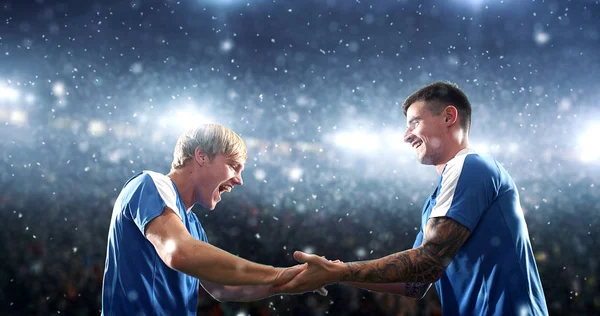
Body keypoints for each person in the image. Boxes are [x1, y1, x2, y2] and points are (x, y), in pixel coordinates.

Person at [276, 81, 549, 315]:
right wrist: (336, 272)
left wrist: (340, 272)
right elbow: (414, 283)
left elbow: (428, 263)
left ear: (448, 117)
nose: (406, 136)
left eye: (414, 122)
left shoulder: (471, 166)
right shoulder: (440, 196)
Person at [101, 124, 324, 315]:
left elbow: (224, 288)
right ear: (202, 156)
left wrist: (290, 282)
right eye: (233, 166)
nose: (239, 180)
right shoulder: (149, 183)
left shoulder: (193, 227)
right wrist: (277, 273)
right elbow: (179, 252)